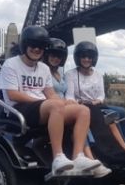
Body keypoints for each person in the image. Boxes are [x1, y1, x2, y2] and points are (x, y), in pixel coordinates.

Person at [0, 26, 101, 176]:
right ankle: (58, 157)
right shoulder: (11, 64)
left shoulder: (44, 68)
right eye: (33, 45)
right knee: (55, 105)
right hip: (19, 109)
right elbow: (13, 94)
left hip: (42, 108)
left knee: (82, 110)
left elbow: (50, 94)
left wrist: (66, 102)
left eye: (40, 47)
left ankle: (78, 156)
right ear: (25, 45)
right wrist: (42, 101)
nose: (36, 49)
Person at [42, 37, 111, 177]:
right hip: (52, 107)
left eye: (59, 56)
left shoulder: (58, 73)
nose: (56, 58)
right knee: (83, 113)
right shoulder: (44, 71)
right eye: (53, 55)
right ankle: (88, 158)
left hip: (63, 105)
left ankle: (101, 154)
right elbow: (47, 93)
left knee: (96, 114)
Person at [65, 41, 125, 151]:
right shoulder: (70, 74)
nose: (86, 59)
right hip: (81, 106)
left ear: (93, 59)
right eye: (84, 57)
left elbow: (101, 95)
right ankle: (120, 145)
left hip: (96, 105)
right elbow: (69, 96)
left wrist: (97, 101)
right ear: (78, 58)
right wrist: (79, 102)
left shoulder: (98, 75)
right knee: (112, 115)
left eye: (89, 57)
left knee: (121, 112)